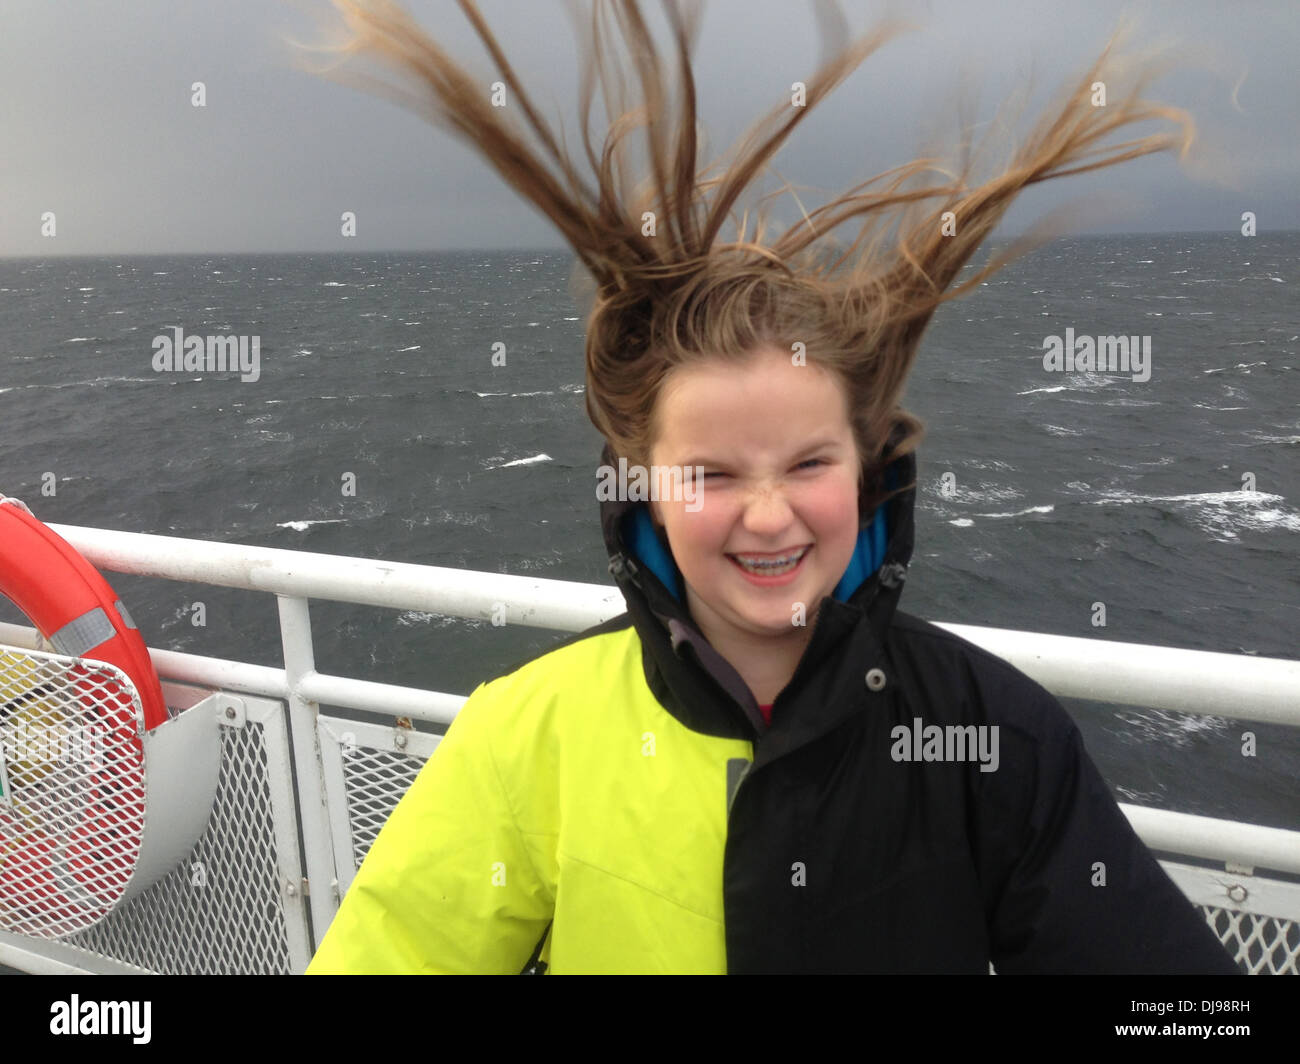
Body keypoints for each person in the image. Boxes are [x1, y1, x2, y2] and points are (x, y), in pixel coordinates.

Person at [301, 0, 1240, 973]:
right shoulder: (527, 735)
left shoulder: (993, 734)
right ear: (645, 488)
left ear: (865, 468)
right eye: (709, 473)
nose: (767, 512)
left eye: (806, 463)